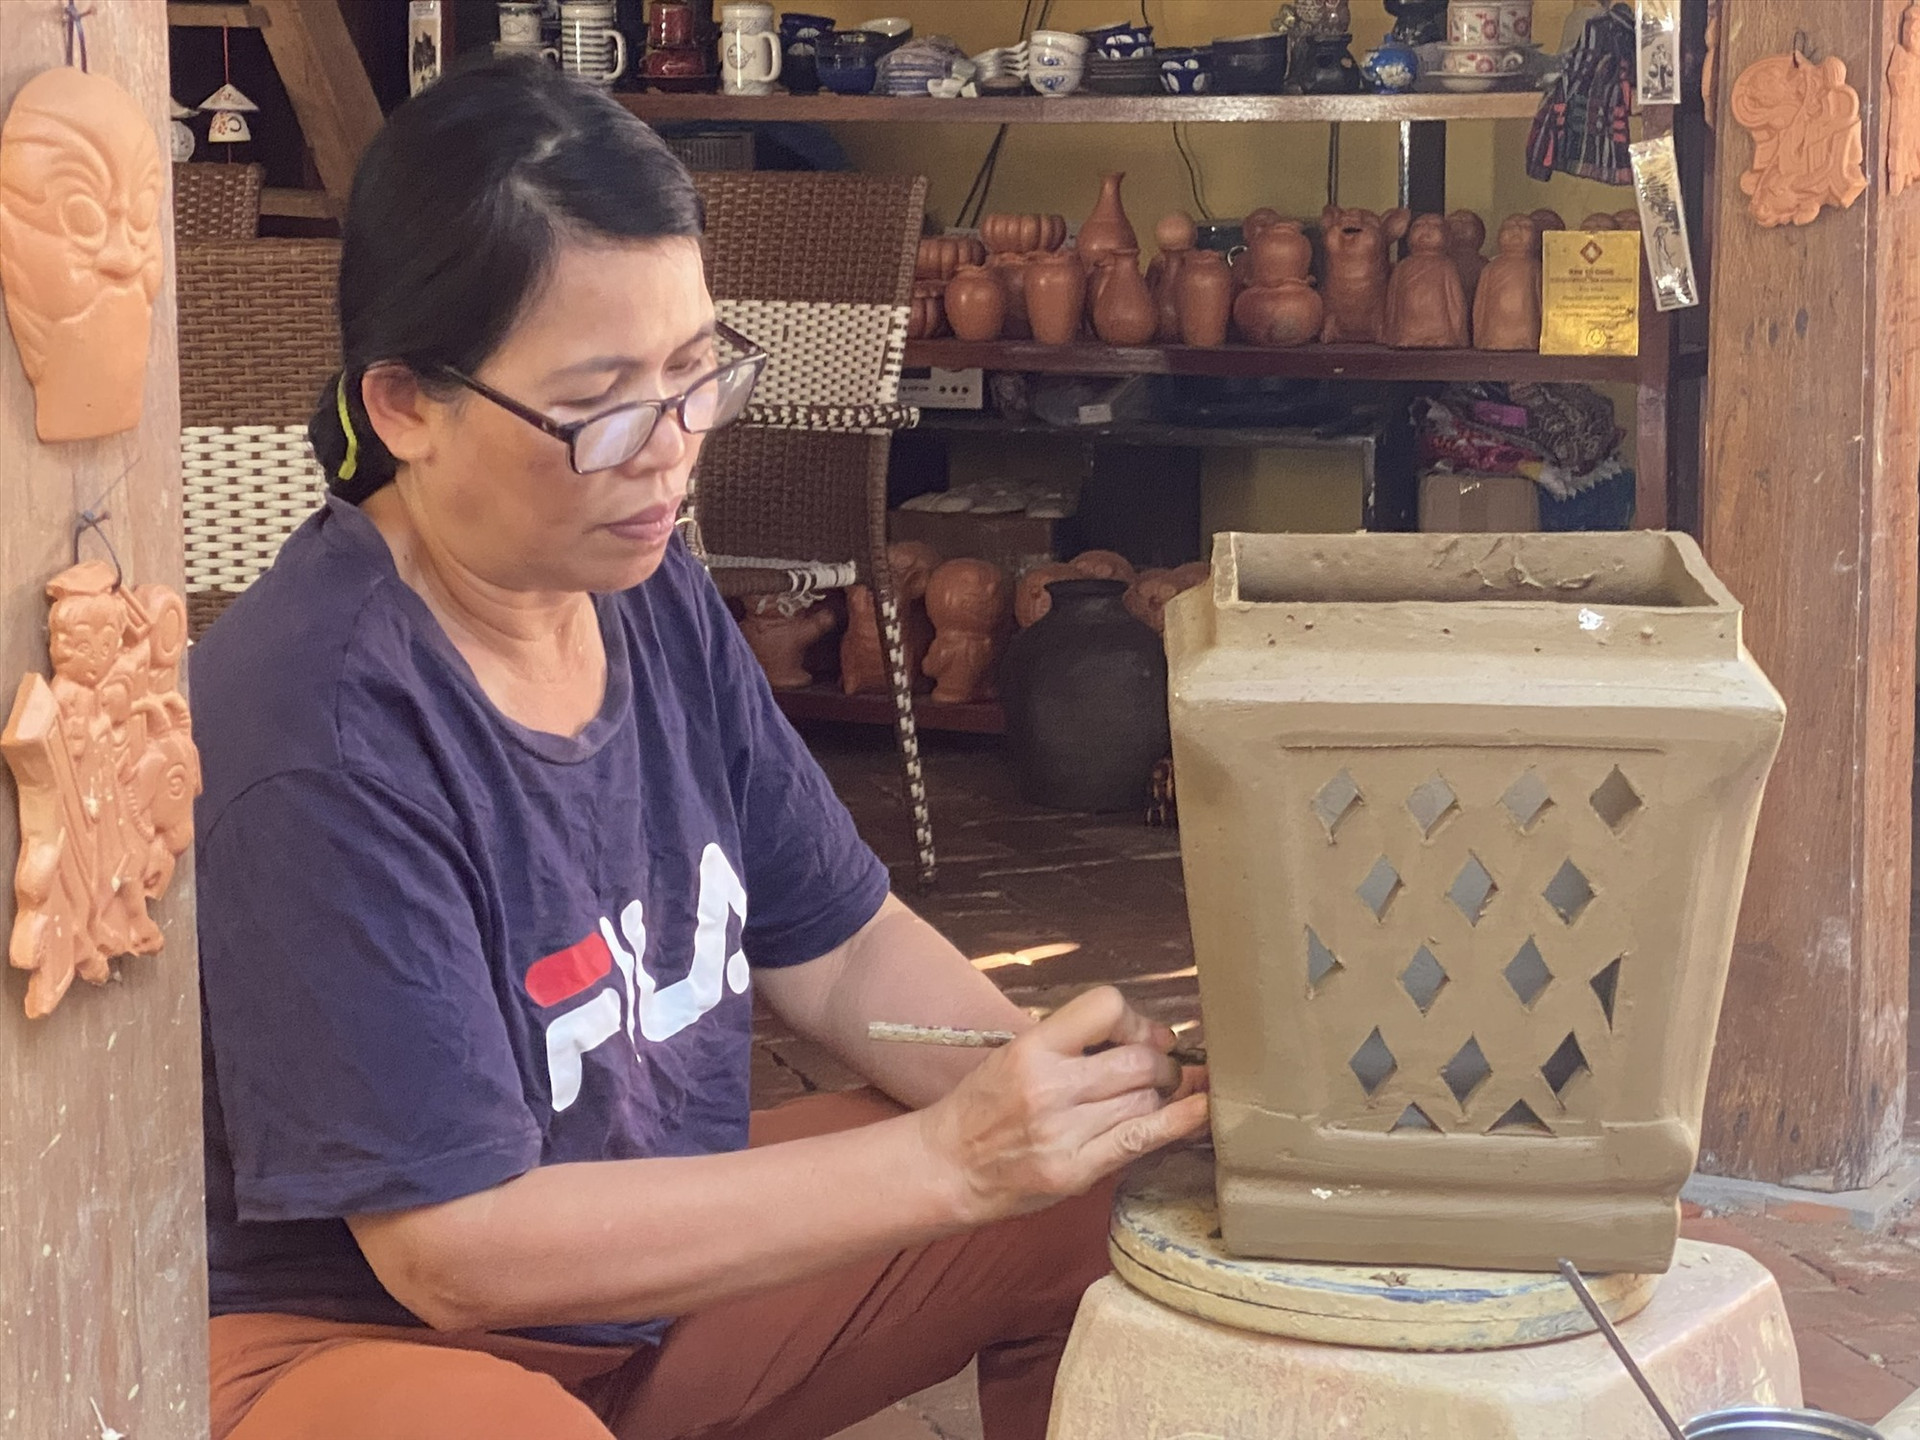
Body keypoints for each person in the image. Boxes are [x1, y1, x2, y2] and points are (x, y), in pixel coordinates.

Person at [192, 58, 1208, 1440]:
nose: (672, 453)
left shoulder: (644, 585)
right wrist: (952, 1163)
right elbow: (450, 1253)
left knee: (1098, 1198)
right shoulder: (316, 723)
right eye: (604, 403)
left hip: (640, 1285)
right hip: (353, 1345)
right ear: (405, 408)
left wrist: (1053, 1100)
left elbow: (841, 950)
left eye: (696, 374)